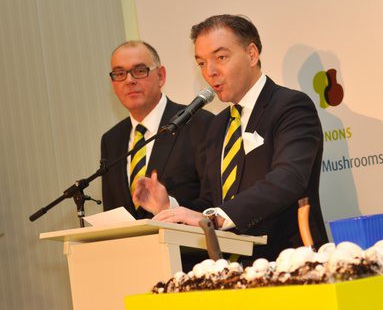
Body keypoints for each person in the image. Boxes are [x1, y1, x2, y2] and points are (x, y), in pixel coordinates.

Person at [133, 15, 328, 260]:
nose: (210, 72)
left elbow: (288, 179)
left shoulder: (290, 106)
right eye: (201, 63)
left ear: (252, 54)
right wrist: (168, 207)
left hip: (289, 259)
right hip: (232, 266)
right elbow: (212, 200)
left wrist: (215, 218)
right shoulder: (218, 124)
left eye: (221, 57)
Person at [101, 41, 214, 219]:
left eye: (139, 71)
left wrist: (169, 207)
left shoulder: (200, 124)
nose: (129, 80)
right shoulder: (111, 140)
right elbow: (112, 212)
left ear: (161, 76)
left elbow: (215, 203)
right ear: (113, 84)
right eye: (120, 74)